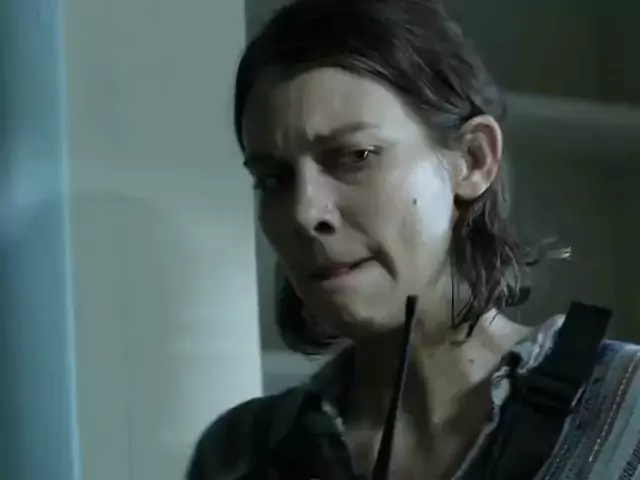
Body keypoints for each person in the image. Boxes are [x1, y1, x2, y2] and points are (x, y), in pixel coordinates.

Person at [187, 1, 640, 479]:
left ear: (473, 160)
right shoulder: (239, 454)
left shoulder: (628, 405)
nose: (304, 213)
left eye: (355, 156)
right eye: (273, 179)